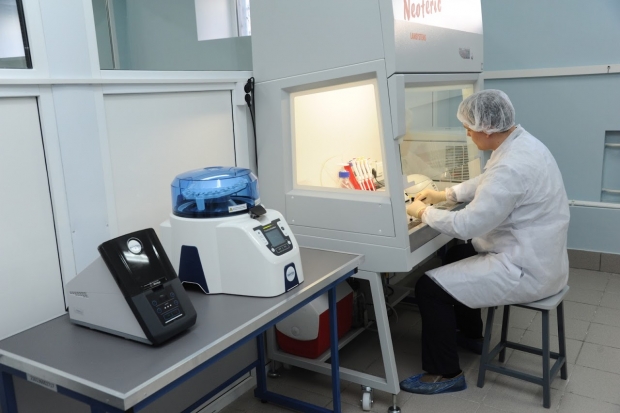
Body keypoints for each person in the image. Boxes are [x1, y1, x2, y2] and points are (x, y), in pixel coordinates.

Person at [400, 89, 570, 395]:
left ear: (487, 129)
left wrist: (422, 212)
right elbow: (488, 180)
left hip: (524, 269)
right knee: (456, 256)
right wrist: (445, 194)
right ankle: (471, 336)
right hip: (539, 255)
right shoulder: (521, 143)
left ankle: (445, 374)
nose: (467, 133)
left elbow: (468, 224)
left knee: (428, 288)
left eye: (468, 127)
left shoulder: (511, 166)